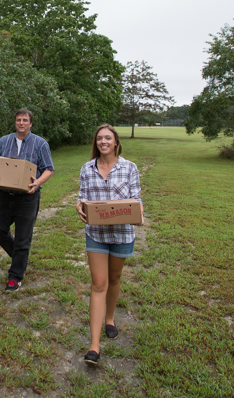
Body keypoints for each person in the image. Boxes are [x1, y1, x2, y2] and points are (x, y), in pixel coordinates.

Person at [75, 123, 142, 365]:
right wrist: (79, 204)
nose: (103, 142)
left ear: (115, 142)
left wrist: (137, 210)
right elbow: (83, 195)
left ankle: (110, 318)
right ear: (96, 143)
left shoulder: (129, 168)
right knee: (98, 283)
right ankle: (94, 346)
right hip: (96, 233)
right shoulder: (87, 168)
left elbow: (137, 198)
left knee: (114, 279)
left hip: (123, 233)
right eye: (99, 138)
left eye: (107, 138)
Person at [0, 108, 55, 292]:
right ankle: (20, 257)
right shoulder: (3, 141)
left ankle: (15, 277)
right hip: (5, 195)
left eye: (25, 120)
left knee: (23, 238)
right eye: (19, 120)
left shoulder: (40, 143)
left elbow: (48, 168)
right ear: (15, 122)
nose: (21, 123)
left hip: (28, 196)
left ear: (31, 123)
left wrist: (38, 182)